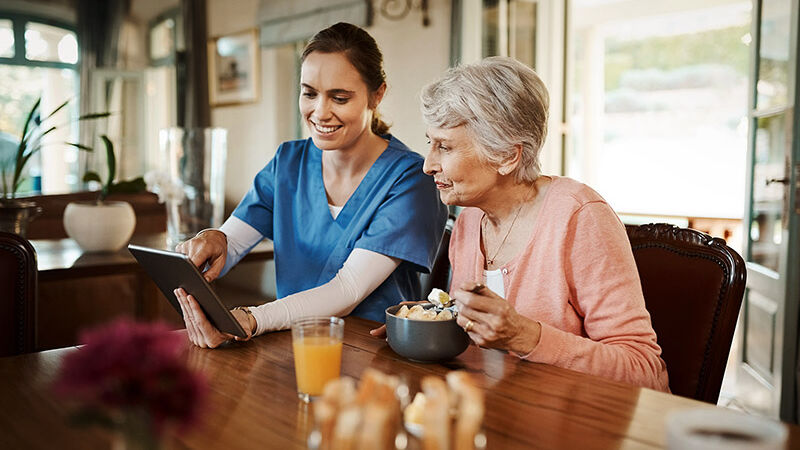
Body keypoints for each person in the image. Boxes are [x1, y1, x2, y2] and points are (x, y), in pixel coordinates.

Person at [174, 22, 448, 349]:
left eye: (340, 97)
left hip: (372, 355)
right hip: (290, 344)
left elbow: (347, 289)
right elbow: (232, 242)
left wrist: (252, 318)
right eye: (309, 93)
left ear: (377, 95)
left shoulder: (410, 179)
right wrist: (213, 239)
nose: (320, 112)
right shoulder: (288, 162)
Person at [414, 56, 668, 391]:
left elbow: (643, 369)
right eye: (429, 143)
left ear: (507, 155)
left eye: (444, 147)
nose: (428, 165)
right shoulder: (470, 217)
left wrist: (525, 336)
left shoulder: (579, 216)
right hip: (499, 409)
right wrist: (422, 327)